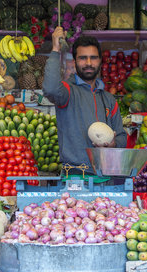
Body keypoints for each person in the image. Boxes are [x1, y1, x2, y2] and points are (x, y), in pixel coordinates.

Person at [43, 26, 127, 173]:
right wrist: (56, 49)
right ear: (74, 62)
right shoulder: (67, 91)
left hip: (105, 176)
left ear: (100, 61)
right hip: (75, 176)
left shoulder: (108, 99)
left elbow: (121, 137)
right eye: (82, 58)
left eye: (93, 58)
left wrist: (113, 144)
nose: (88, 63)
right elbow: (50, 88)